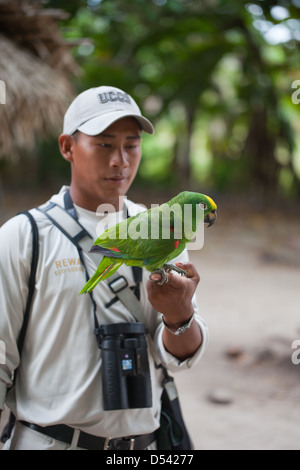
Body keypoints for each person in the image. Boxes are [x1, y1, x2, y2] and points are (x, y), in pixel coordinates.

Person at [0, 85, 208, 450]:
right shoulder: (24, 237)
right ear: (67, 147)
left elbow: (179, 356)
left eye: (131, 144)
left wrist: (180, 315)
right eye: (104, 144)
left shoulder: (170, 228)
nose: (120, 160)